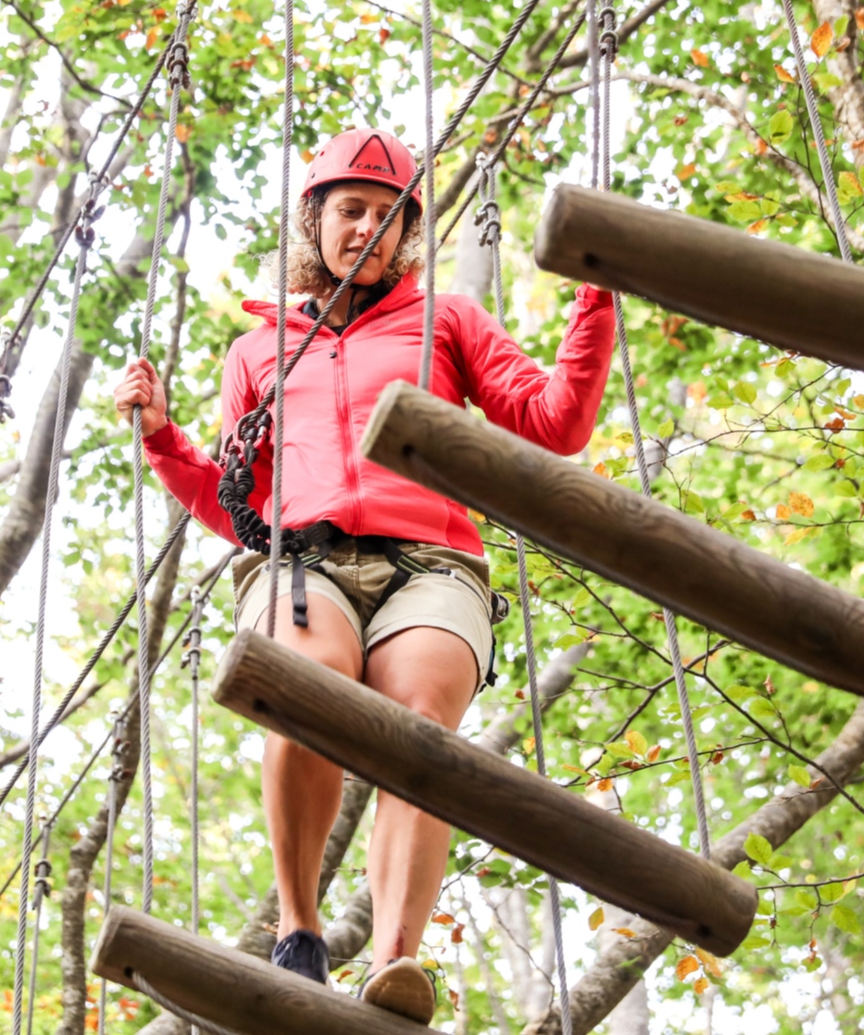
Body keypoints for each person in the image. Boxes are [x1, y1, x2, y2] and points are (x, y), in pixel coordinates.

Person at [115, 127, 614, 1024]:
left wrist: (594, 304)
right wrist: (162, 440)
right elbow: (240, 504)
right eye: (351, 211)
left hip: (432, 562)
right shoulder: (258, 353)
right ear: (315, 223)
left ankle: (394, 963)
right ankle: (298, 935)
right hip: (303, 560)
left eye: (389, 218)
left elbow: (554, 424)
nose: (368, 231)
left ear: (407, 236)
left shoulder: (447, 320)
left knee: (421, 730)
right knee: (306, 687)